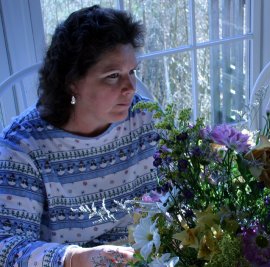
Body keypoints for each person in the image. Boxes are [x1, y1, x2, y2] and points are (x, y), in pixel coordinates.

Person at [0, 5, 159, 267]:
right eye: (112, 76)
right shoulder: (22, 148)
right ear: (71, 82)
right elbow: (6, 245)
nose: (130, 88)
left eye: (132, 72)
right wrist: (74, 258)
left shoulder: (142, 117)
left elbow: (180, 180)